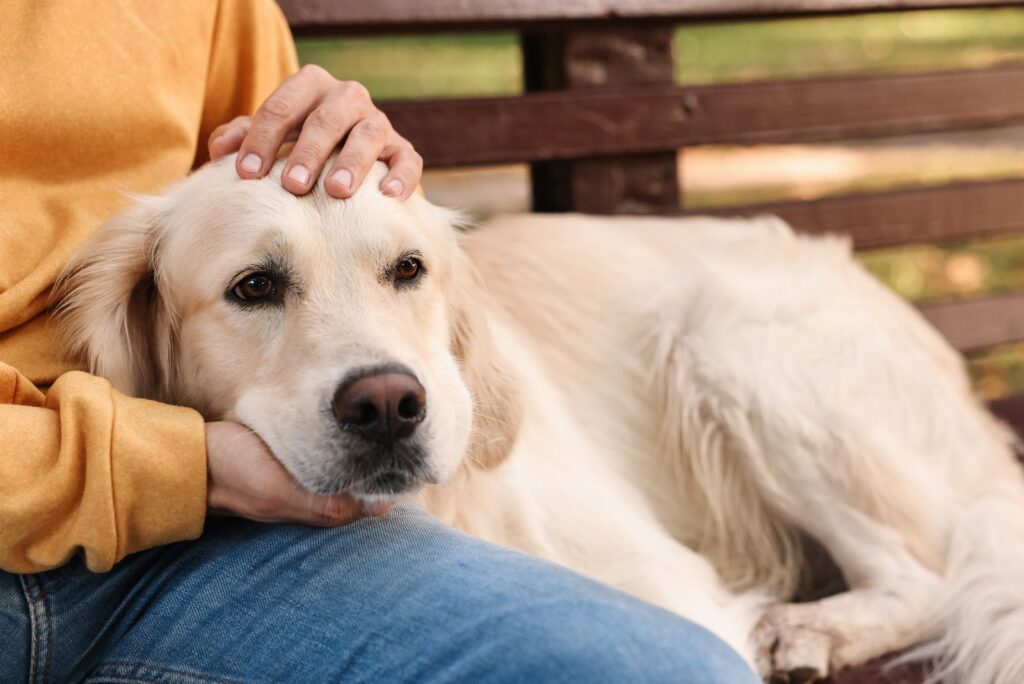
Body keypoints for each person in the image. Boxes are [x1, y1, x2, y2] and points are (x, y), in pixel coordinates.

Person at [0, 1, 759, 681]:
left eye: (404, 270)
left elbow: (287, 181)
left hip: (201, 547)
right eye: (257, 287)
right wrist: (180, 468)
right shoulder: (132, 317)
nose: (380, 386)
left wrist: (344, 138)